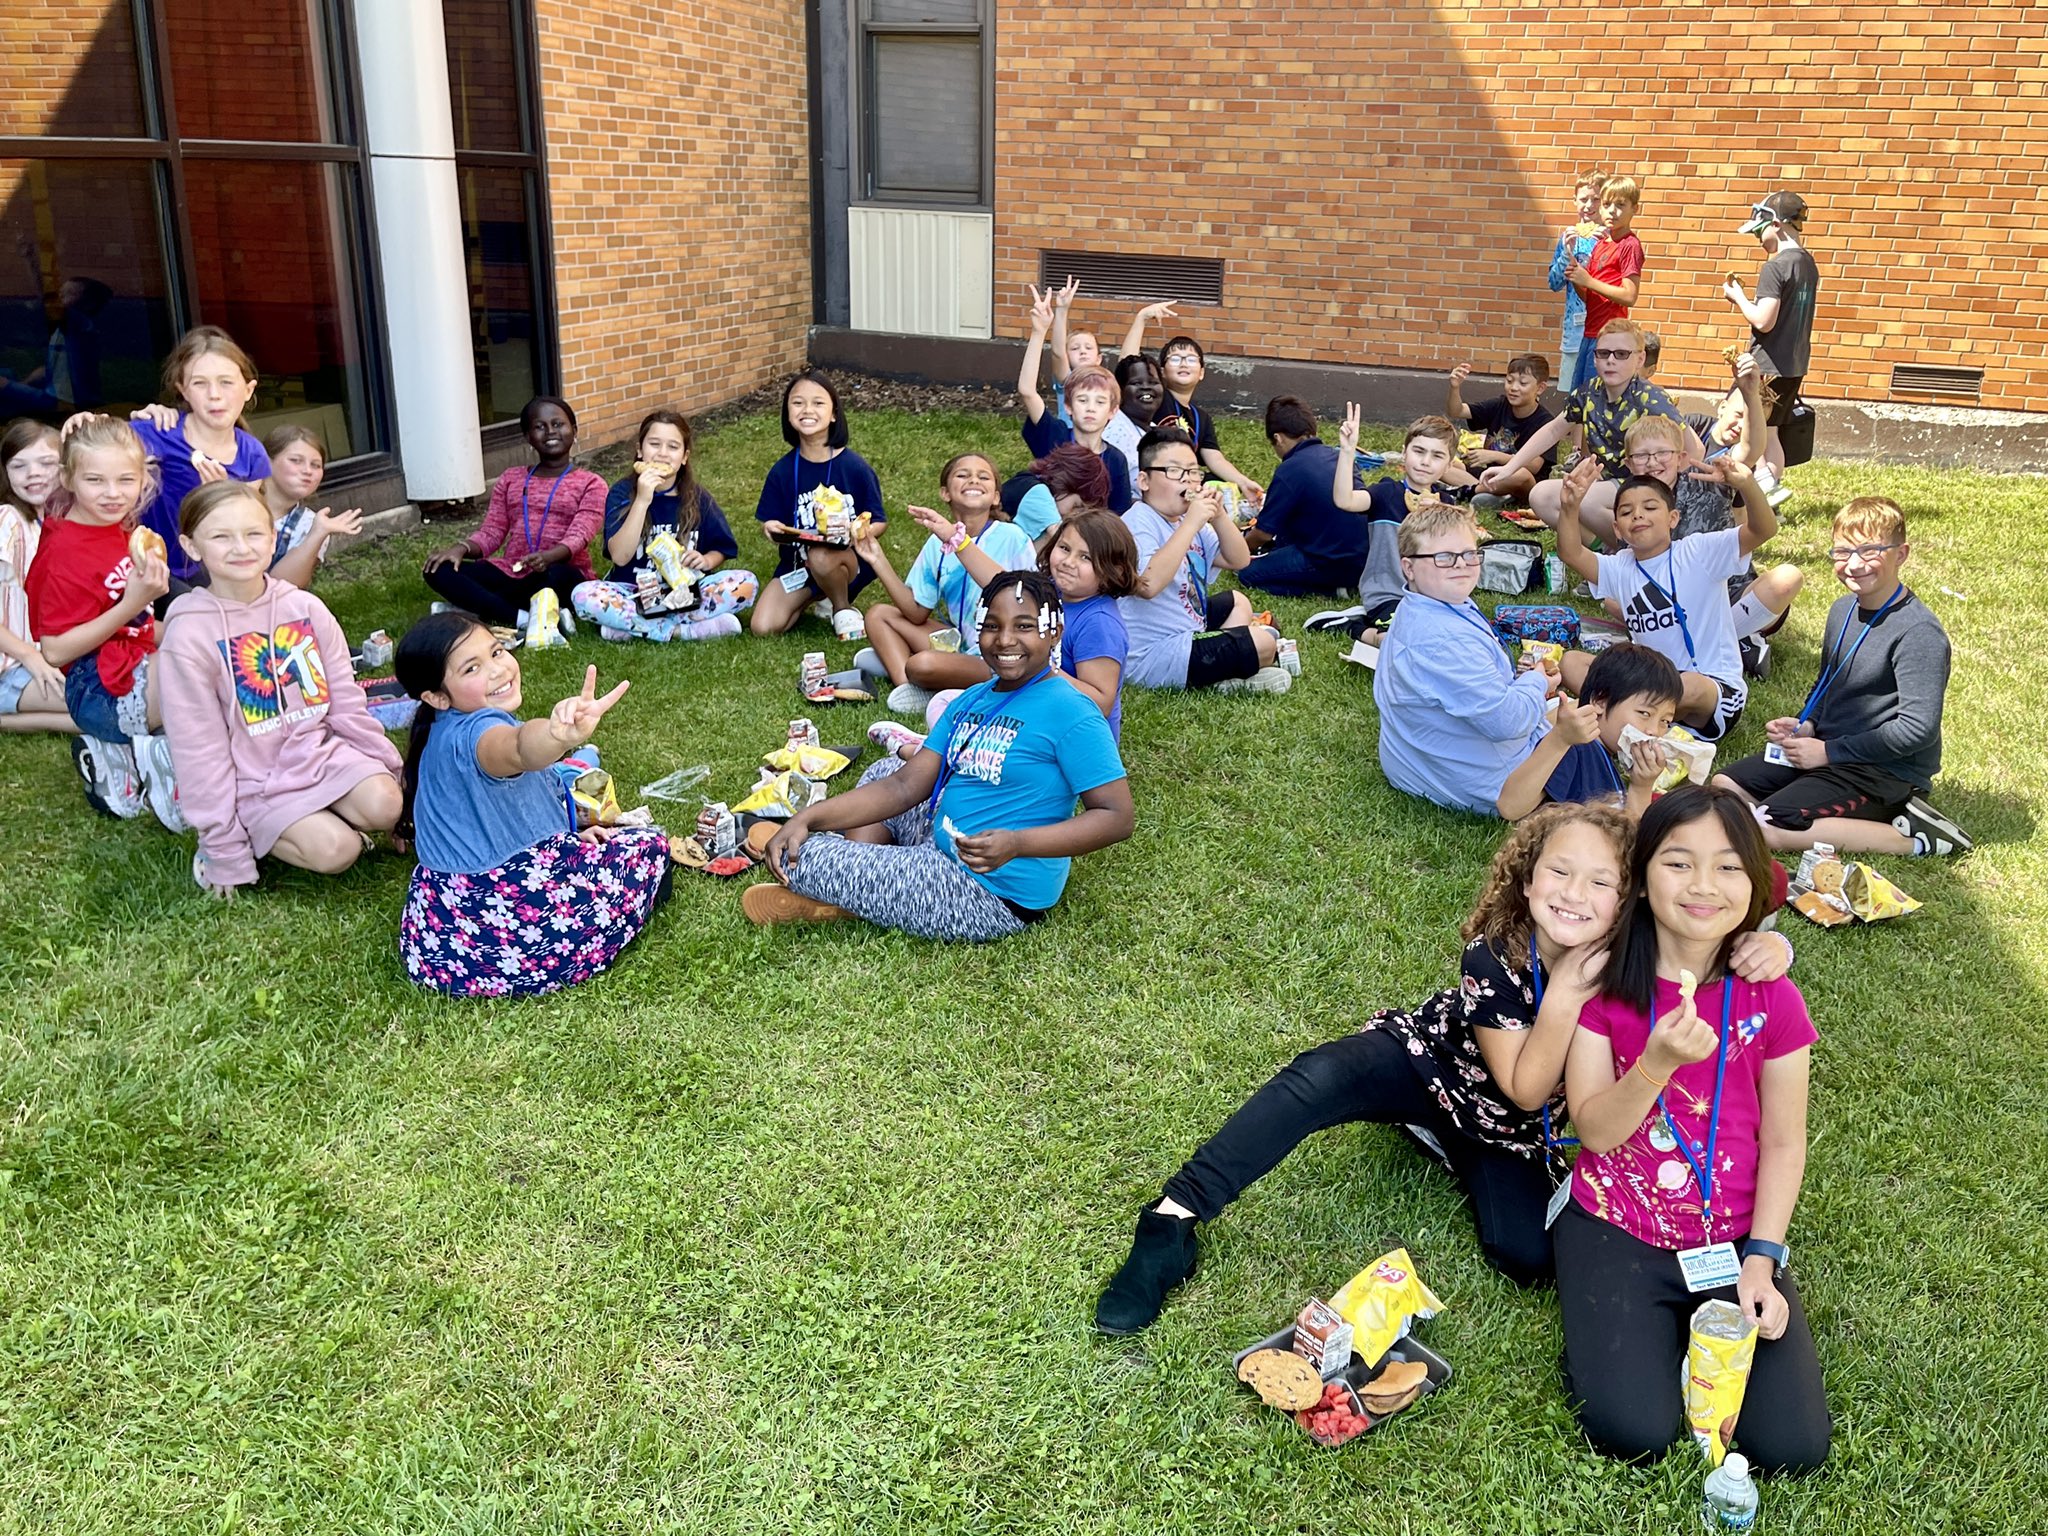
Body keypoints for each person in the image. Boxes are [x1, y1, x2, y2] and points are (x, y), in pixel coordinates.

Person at [1093, 802, 1800, 1333]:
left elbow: (1739, 884)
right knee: (1319, 1079)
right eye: (1557, 873)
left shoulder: (1636, 960)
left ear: (1631, 899)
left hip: (1513, 1136)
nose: (1574, 896)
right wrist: (1566, 1002)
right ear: (1525, 884)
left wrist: (1768, 947)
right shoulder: (1495, 954)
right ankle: (1171, 1218)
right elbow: (1524, 1085)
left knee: (1528, 1259)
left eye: (1601, 883)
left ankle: (1442, 1147)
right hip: (1433, 1069)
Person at [1556, 785, 1830, 1472]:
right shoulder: (1605, 983)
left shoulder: (1771, 993)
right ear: (1643, 879)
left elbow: (1784, 1141)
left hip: (1731, 1241)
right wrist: (1654, 1065)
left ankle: (1679, 1324)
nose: (1704, 885)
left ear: (1754, 882)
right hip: (1615, 1225)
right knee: (1633, 1431)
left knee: (1792, 1448)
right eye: (1678, 863)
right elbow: (1594, 1131)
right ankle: (1615, 1326)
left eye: (1729, 866)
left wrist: (1762, 1260)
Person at [746, 573, 1134, 942]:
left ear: (1054, 633)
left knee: (805, 858)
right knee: (888, 767)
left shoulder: (1073, 713)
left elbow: (1117, 818)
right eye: (992, 626)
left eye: (1025, 626)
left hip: (986, 889)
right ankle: (869, 880)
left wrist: (1018, 843)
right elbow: (904, 786)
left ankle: (857, 882)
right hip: (942, 842)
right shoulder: (975, 697)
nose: (1005, 640)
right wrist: (808, 817)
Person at [393, 612, 670, 997]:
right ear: (436, 695)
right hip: (512, 932)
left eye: (496, 651)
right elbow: (522, 748)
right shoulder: (480, 734)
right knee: (649, 847)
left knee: (595, 839)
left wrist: (570, 837)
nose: (497, 670)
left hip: (441, 938)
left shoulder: (439, 730)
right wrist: (557, 736)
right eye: (473, 668)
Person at [158, 480, 403, 895]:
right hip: (255, 782)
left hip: (320, 756)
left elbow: (347, 703)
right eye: (221, 536)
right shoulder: (189, 636)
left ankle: (321, 811)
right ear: (192, 545)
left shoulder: (304, 608)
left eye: (254, 533)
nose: (241, 548)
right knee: (336, 852)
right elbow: (200, 751)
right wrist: (225, 849)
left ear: (273, 537)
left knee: (386, 804)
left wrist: (394, 775)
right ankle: (271, 832)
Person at [1714, 497, 1965, 856]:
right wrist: (1808, 724)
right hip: (1828, 750)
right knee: (1725, 785)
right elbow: (1829, 681)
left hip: (1884, 772)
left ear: (1902, 553)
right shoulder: (1843, 609)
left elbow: (1917, 729)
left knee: (1767, 827)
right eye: (1843, 553)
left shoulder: (1919, 633)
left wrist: (1829, 752)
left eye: (1870, 550)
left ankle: (1915, 839)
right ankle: (1816, 800)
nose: (1855, 564)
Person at [1554, 456, 1776, 743]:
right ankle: (1637, 725)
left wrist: (1746, 484)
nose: (1638, 515)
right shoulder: (1620, 566)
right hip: (1647, 682)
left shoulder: (1698, 551)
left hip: (1710, 692)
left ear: (1673, 519)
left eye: (1650, 507)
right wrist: (1570, 506)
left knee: (1689, 685)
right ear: (1618, 530)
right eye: (1626, 512)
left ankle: (1616, 726)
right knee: (1571, 662)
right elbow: (1570, 552)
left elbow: (1763, 530)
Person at [29, 415, 180, 822]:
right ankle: (163, 767)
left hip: (132, 663)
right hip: (96, 689)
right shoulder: (64, 553)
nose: (113, 494)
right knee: (195, 675)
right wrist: (133, 603)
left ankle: (120, 754)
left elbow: (140, 628)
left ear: (142, 478)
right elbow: (55, 649)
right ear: (68, 479)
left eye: (125, 480)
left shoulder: (117, 528)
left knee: (214, 649)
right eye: (95, 481)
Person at [879, 505, 1136, 743]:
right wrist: (956, 540)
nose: (1069, 562)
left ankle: (926, 751)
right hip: (1038, 710)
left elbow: (1100, 702)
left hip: (1074, 739)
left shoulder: (1100, 623)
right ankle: (941, 750)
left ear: (1115, 570)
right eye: (1065, 549)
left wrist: (1042, 668)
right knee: (949, 704)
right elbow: (1002, 582)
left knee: (961, 712)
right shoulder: (1054, 592)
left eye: (1086, 558)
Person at [1372, 502, 1555, 815]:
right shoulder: (1443, 639)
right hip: (1487, 783)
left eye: (1470, 553)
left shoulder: (1426, 603)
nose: (1462, 564)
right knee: (1590, 722)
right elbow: (1507, 722)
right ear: (1409, 567)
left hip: (1420, 764)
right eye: (1444, 557)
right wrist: (1537, 681)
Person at [1616, 412, 1803, 679]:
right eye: (1642, 456)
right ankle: (1739, 644)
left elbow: (1751, 448)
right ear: (1629, 464)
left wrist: (1741, 481)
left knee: (1787, 578)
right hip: (1669, 605)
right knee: (1614, 602)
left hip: (1731, 597)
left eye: (1662, 453)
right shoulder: (1629, 503)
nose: (1652, 462)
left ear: (1680, 458)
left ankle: (1727, 638)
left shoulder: (1706, 480)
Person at [1481, 319, 1700, 541]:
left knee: (1584, 498)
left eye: (1621, 354)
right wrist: (1509, 467)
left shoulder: (1651, 399)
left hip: (1644, 484)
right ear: (1594, 358)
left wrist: (1667, 486)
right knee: (1541, 496)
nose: (1611, 361)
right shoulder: (1589, 393)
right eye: (1603, 353)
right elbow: (1553, 430)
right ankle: (1598, 549)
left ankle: (1638, 550)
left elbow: (1696, 449)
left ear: (1639, 359)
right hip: (1607, 482)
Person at [853, 453, 1037, 715]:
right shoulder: (936, 543)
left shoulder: (1012, 537)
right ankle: (910, 687)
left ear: (996, 496)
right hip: (960, 643)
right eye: (962, 475)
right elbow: (916, 612)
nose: (974, 479)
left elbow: (1025, 599)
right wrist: (877, 558)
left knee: (922, 665)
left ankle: (917, 671)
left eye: (983, 477)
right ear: (945, 493)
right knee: (879, 615)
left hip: (999, 653)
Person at [94, 325, 272, 589]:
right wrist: (85, 422)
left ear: (247, 390)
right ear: (183, 390)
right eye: (200, 383)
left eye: (226, 382)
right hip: (147, 569)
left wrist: (219, 496)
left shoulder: (252, 453)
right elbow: (92, 448)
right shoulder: (156, 432)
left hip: (215, 571)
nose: (215, 394)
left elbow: (245, 524)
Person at [1118, 427, 1286, 694]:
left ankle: (1222, 670)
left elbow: (1239, 560)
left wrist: (1218, 516)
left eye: (1193, 472)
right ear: (1144, 481)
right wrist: (1192, 523)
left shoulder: (1187, 518)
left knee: (1238, 602)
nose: (1188, 481)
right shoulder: (1136, 523)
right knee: (1264, 644)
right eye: (1174, 472)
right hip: (1151, 654)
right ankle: (1225, 675)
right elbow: (1147, 585)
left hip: (1188, 629)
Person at [569, 409, 756, 642]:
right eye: (654, 444)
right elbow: (619, 556)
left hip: (686, 595)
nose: (662, 454)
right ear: (640, 450)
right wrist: (642, 500)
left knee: (746, 583)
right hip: (633, 592)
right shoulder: (621, 493)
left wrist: (706, 560)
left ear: (684, 457)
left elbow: (721, 549)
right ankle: (684, 631)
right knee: (583, 595)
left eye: (673, 447)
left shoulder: (697, 497)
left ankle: (630, 628)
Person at [423, 396, 606, 629]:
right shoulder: (512, 478)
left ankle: (475, 608)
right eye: (539, 427)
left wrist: (547, 557)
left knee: (553, 578)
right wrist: (461, 549)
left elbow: (580, 536)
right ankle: (524, 619)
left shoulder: (591, 483)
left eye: (558, 424)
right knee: (438, 570)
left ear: (574, 430)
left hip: (560, 572)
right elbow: (492, 531)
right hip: (513, 569)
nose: (550, 432)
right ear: (528, 437)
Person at [750, 370, 887, 640]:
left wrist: (852, 534)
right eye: (798, 403)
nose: (807, 410)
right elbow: (771, 521)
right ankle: (818, 594)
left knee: (821, 556)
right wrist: (772, 527)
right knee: (763, 627)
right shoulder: (783, 471)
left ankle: (841, 608)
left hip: (845, 561)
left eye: (818, 403)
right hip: (798, 567)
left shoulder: (854, 467)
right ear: (788, 413)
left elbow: (879, 521)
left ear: (834, 413)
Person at [1496, 643, 1684, 821]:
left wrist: (1642, 785)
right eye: (1644, 713)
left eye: (1665, 721)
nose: (1653, 731)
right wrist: (1559, 740)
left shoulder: (1606, 757)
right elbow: (1510, 807)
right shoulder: (1577, 748)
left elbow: (1631, 837)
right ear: (1600, 702)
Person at [1329, 410, 1461, 637]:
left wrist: (1439, 519)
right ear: (1404, 453)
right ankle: (1357, 629)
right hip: (1388, 595)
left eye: (1437, 456)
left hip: (1433, 597)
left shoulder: (1446, 504)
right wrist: (1348, 450)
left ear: (1448, 466)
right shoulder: (1386, 493)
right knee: (1405, 638)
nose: (1425, 462)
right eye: (1418, 451)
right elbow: (1345, 500)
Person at [1118, 303, 1264, 503]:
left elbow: (1215, 458)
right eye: (1175, 359)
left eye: (1191, 359)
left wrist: (1242, 481)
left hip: (1181, 481)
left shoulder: (1201, 417)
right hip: (1152, 480)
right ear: (1162, 372)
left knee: (1214, 481)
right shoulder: (1156, 398)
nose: (1184, 363)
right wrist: (1141, 319)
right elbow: (1128, 367)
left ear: (1202, 372)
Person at [1725, 191, 1820, 479]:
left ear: (1776, 224)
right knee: (1772, 429)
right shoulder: (1807, 264)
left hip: (1765, 366)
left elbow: (1764, 321)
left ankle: (1758, 493)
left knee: (1748, 430)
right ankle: (1772, 493)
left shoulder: (1775, 266)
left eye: (1759, 231)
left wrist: (1738, 297)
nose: (1758, 239)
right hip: (1794, 364)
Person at [1018, 288, 1133, 514]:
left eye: (1100, 402)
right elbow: (1027, 391)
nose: (1090, 407)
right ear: (1068, 407)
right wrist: (1039, 332)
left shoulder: (1116, 459)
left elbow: (1120, 515)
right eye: (1082, 400)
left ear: (1112, 411)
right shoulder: (1055, 436)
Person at [1238, 396, 1364, 598]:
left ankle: (1332, 590)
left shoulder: (1290, 470)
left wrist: (1235, 551)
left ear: (1277, 438)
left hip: (1326, 561)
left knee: (1248, 574)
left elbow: (1263, 534)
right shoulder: (1336, 456)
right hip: (1361, 559)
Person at [0, 420, 76, 733]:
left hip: (39, 659)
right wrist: (31, 656)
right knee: (109, 707)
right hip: (11, 664)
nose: (33, 473)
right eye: (19, 466)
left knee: (100, 713)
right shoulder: (9, 520)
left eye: (46, 463)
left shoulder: (54, 523)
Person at [1562, 175, 1647, 394]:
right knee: (1577, 400)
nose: (1612, 211)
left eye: (1620, 205)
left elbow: (1630, 296)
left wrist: (1588, 280)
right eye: (1607, 204)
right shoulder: (1601, 243)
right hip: (1589, 334)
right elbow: (1590, 296)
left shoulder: (1630, 245)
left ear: (1634, 208)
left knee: (1596, 401)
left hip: (1610, 339)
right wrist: (1577, 276)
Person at [261, 425, 364, 591]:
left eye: (316, 465)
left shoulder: (311, 523)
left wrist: (317, 535)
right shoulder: (235, 505)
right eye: (295, 461)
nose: (308, 471)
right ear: (267, 461)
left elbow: (283, 587)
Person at [1447, 356, 1556, 508]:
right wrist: (1455, 387)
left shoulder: (1545, 422)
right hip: (1491, 476)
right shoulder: (1500, 405)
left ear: (1540, 388)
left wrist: (1493, 455)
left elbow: (1533, 466)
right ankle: (1488, 492)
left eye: (1523, 383)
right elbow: (1457, 411)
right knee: (1445, 464)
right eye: (1509, 380)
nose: (1513, 388)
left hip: (1526, 485)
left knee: (1521, 475)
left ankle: (1468, 492)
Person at [1549, 171, 1607, 388]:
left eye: (1596, 199)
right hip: (1573, 334)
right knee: (1570, 397)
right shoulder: (1568, 237)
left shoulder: (1611, 239)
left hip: (1602, 332)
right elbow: (1554, 283)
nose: (1589, 205)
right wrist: (1567, 252)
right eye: (1583, 199)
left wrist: (1605, 245)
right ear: (1575, 201)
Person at [1004, 442, 1112, 551]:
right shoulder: (1036, 491)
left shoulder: (1027, 482)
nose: (1077, 515)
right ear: (1064, 483)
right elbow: (1060, 536)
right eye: (1077, 506)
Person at [1106, 354, 1165, 503]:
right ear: (1120, 391)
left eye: (1153, 382)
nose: (1146, 387)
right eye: (1136, 383)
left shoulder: (1152, 429)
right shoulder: (1116, 432)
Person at [1046, 274, 1099, 425]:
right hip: (1069, 442)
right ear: (1067, 357)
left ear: (1099, 359)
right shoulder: (1068, 380)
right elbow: (1057, 352)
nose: (1083, 351)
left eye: (1088, 348)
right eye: (1075, 348)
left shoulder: (1106, 382)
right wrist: (1062, 309)